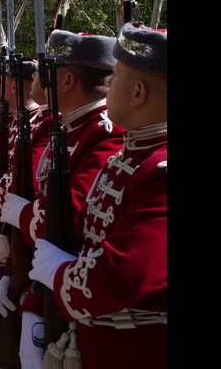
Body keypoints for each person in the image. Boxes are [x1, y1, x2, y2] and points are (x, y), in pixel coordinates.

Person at [26, 23, 166, 369]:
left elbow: (121, 276)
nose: (108, 85)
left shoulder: (159, 170)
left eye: (115, 76)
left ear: (137, 93)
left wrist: (59, 276)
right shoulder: (132, 156)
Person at [0, 30, 125, 369]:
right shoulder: (69, 127)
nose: (35, 76)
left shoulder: (102, 132)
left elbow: (71, 214)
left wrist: (23, 216)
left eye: (44, 69)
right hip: (51, 283)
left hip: (79, 299)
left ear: (67, 79)